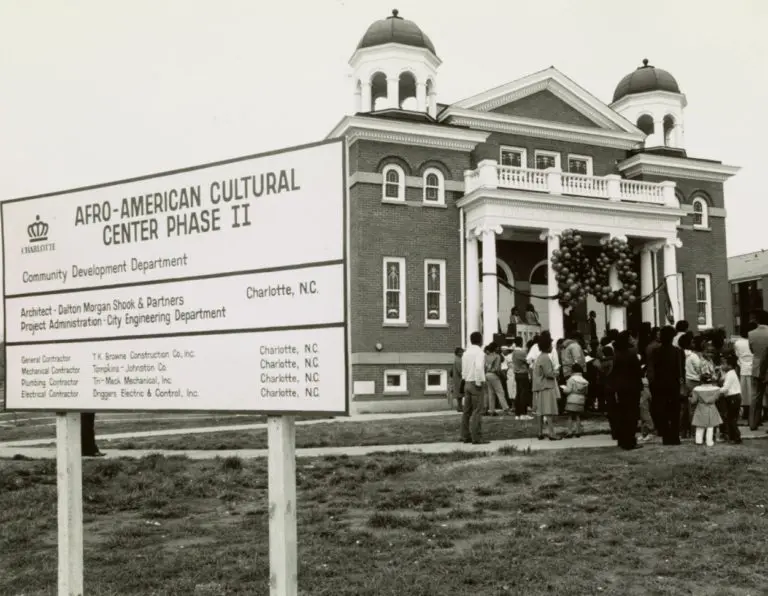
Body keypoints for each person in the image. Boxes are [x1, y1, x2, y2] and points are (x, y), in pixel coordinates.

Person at [650, 326, 685, 445]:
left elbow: (653, 369)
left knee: (663, 411)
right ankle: (675, 436)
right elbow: (681, 370)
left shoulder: (656, 351)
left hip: (660, 385)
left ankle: (666, 435)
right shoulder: (678, 351)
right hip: (673, 384)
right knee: (675, 411)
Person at [609, 330, 644, 450]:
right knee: (632, 415)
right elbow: (637, 372)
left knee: (623, 414)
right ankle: (630, 440)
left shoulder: (617, 354)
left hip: (620, 388)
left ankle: (622, 439)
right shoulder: (631, 353)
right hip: (632, 387)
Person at [460, 331, 488, 444]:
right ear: (480, 340)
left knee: (466, 411)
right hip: (475, 383)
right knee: (477, 411)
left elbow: (464, 369)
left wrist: (465, 379)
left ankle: (465, 435)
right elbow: (479, 367)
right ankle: (477, 437)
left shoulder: (466, 353)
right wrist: (478, 382)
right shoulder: (480, 353)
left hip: (467, 381)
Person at [532, 335, 561, 441]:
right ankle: (552, 433)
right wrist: (556, 373)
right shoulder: (545, 358)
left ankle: (539, 432)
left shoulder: (539, 357)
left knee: (540, 411)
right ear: (547, 346)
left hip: (539, 387)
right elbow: (548, 373)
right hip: (546, 386)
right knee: (548, 411)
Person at [748, 310, 768, 430]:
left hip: (756, 366)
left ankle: (753, 423)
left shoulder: (751, 334)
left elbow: (752, 350)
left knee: (755, 396)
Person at [690, 373, 723, 447]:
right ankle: (709, 442)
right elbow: (717, 398)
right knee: (710, 426)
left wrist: (690, 400)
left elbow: (694, 401)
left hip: (701, 407)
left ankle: (698, 441)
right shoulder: (717, 389)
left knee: (700, 425)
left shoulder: (696, 389)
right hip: (712, 407)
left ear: (701, 380)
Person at [679, 332, 700, 439]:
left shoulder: (680, 354)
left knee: (684, 408)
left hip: (684, 382)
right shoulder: (693, 356)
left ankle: (683, 431)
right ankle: (694, 431)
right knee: (693, 408)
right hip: (694, 382)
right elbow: (699, 369)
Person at [733, 322, 756, 420]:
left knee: (744, 391)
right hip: (754, 368)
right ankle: (755, 413)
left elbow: (737, 355)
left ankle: (746, 412)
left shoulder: (737, 343)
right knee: (754, 392)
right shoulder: (753, 341)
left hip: (743, 368)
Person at [719, 354, 743, 444]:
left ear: (730, 365)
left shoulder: (730, 374)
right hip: (735, 397)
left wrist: (716, 391)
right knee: (731, 418)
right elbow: (722, 379)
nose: (722, 366)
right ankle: (733, 437)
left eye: (724, 364)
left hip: (733, 398)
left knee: (731, 418)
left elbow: (725, 388)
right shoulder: (730, 373)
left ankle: (736, 437)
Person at [484, 343, 512, 416]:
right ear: (495, 348)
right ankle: (506, 409)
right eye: (497, 347)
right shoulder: (497, 356)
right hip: (494, 375)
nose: (498, 349)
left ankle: (492, 410)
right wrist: (502, 376)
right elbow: (497, 369)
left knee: (491, 393)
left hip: (487, 374)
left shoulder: (486, 356)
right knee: (500, 392)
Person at [562, 363, 588, 438]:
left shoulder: (571, 379)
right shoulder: (584, 380)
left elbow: (568, 390)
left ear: (572, 370)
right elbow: (586, 392)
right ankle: (578, 431)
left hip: (571, 400)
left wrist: (564, 389)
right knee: (577, 416)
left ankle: (569, 431)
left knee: (570, 416)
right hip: (580, 400)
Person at [510, 337, 532, 419]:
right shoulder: (522, 352)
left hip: (517, 374)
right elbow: (529, 361)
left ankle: (517, 413)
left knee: (518, 394)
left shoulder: (514, 352)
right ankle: (523, 413)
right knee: (524, 394)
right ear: (521, 342)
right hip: (523, 374)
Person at [639, 372, 655, 441]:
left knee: (644, 411)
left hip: (644, 386)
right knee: (642, 411)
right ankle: (644, 432)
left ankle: (650, 431)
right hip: (641, 386)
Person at [450, 347, 465, 412]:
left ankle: (460, 407)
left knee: (459, 394)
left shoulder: (456, 359)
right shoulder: (459, 360)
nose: (462, 353)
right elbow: (460, 370)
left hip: (456, 378)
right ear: (458, 353)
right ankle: (460, 407)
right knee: (460, 394)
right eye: (461, 352)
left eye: (462, 352)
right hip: (459, 379)